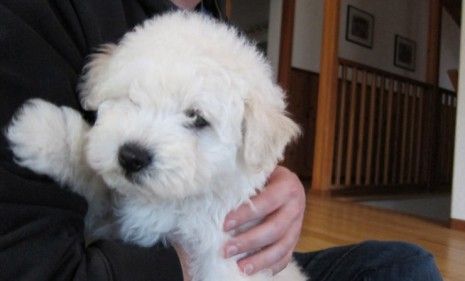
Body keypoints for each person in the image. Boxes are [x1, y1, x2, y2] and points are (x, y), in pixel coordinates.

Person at [0, 0, 443, 280]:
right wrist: (187, 263)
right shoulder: (42, 13)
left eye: (195, 119)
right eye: (133, 99)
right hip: (120, 265)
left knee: (404, 266)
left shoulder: (209, 22)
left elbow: (251, 150)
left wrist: (280, 188)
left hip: (225, 257)